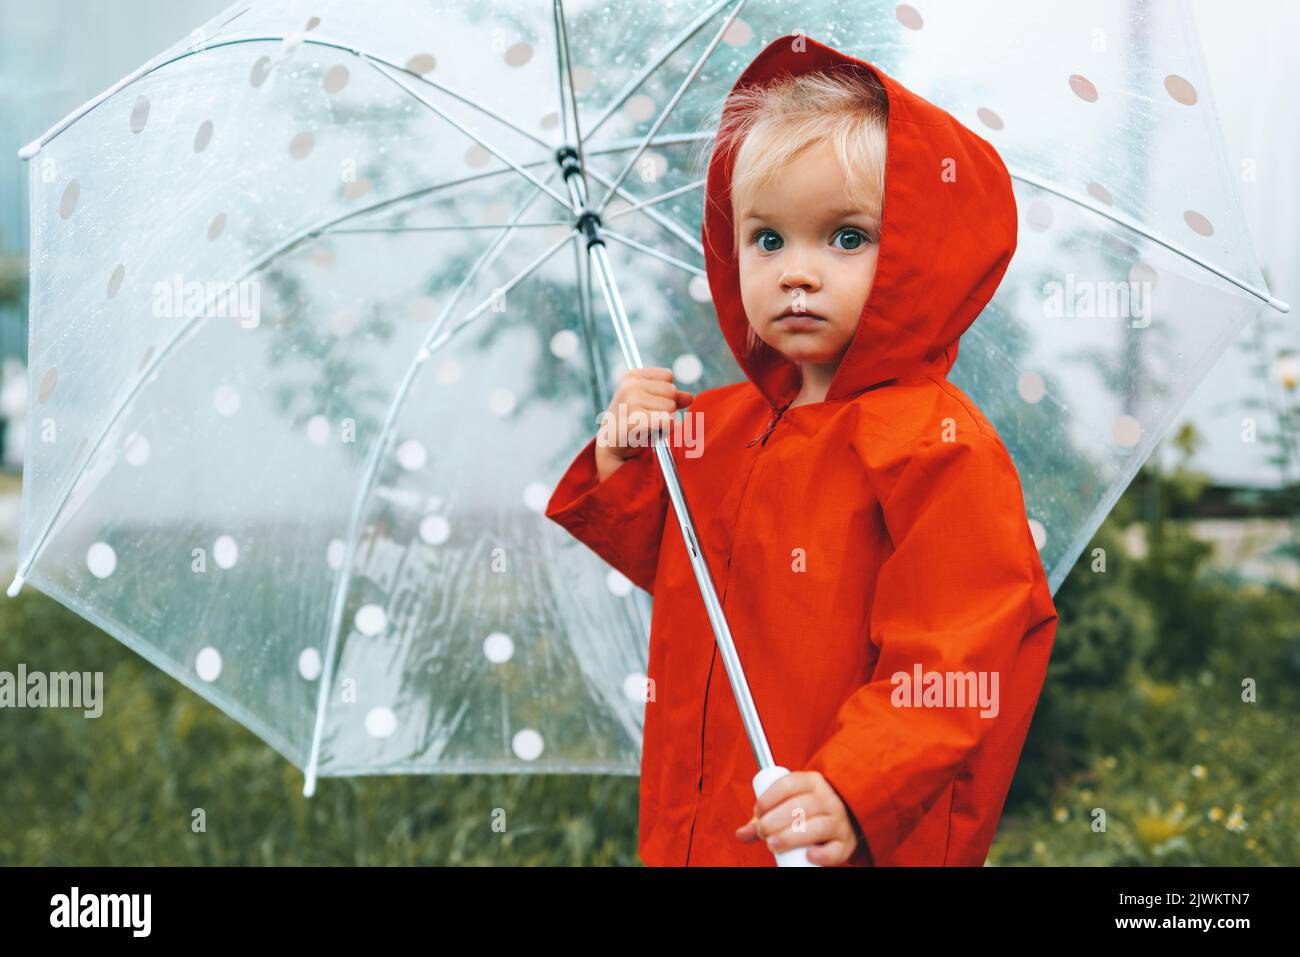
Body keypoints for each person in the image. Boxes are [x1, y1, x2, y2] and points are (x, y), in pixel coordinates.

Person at [545, 34, 1058, 866]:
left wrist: (856, 784)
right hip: (700, 821)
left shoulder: (935, 443)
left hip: (833, 830)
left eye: (847, 238)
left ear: (922, 254)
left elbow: (961, 651)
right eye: (768, 239)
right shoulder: (715, 424)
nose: (797, 273)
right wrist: (626, 453)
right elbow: (690, 575)